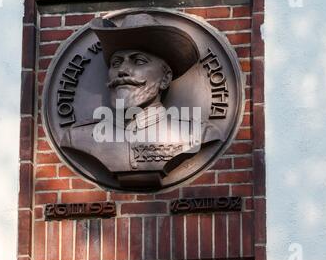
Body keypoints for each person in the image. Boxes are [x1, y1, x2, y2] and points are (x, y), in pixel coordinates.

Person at [60, 13, 222, 189]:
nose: (122, 71)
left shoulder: (199, 134)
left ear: (166, 79)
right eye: (116, 63)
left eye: (138, 61)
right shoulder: (77, 138)